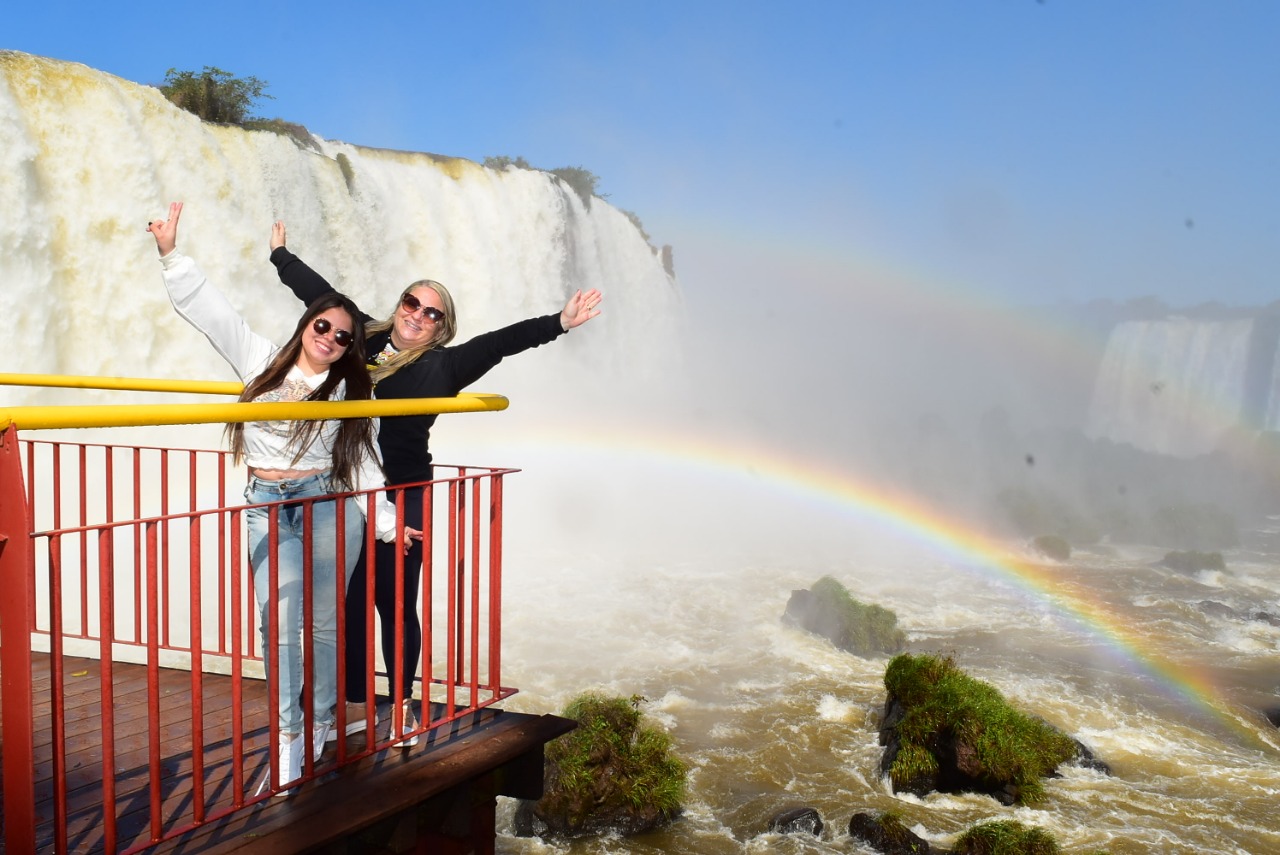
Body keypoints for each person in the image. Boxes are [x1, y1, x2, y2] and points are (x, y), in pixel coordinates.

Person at [268, 222, 602, 747]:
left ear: (441, 327)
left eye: (431, 313)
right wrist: (280, 255)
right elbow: (320, 296)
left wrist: (559, 321)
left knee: (394, 602)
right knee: (348, 603)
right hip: (348, 490)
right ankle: (353, 707)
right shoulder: (361, 336)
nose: (417, 316)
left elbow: (501, 342)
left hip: (403, 495)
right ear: (399, 304)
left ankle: (399, 705)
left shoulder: (444, 366)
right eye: (411, 303)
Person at [147, 203, 420, 794]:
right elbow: (212, 313)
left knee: (322, 628)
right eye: (322, 326)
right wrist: (171, 254)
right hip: (266, 504)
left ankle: (319, 726)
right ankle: (287, 735)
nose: (330, 338)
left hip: (327, 504)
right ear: (307, 325)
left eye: (343, 336)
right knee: (278, 624)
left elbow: (364, 458)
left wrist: (386, 519)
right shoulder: (260, 358)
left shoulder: (348, 388)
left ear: (350, 346)